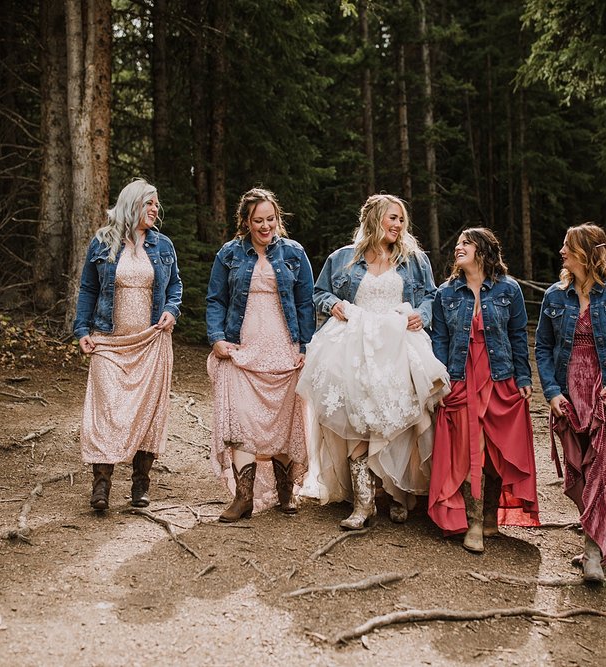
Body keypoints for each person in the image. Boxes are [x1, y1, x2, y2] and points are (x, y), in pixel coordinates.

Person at [298, 193, 449, 530]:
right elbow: (319, 292)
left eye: (401, 219)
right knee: (358, 419)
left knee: (400, 419)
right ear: (375, 218)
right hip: (355, 346)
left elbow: (430, 296)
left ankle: (398, 495)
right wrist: (332, 305)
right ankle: (363, 503)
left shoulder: (415, 260)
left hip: (399, 343)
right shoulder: (342, 259)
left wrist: (421, 315)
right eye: (392, 217)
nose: (398, 225)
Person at [535, 222, 606, 583]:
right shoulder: (555, 296)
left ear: (587, 252)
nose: (562, 252)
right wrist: (552, 392)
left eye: (568, 246)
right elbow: (543, 347)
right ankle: (598, 538)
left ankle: (594, 554)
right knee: (579, 475)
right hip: (572, 399)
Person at [206, 188, 315, 522]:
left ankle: (286, 493)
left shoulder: (295, 253)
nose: (266, 226)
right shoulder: (229, 254)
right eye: (258, 221)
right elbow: (216, 299)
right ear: (246, 222)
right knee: (240, 418)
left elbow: (305, 303)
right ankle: (244, 498)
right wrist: (217, 338)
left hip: (284, 348)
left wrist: (305, 347)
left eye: (271, 219)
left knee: (283, 420)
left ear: (277, 218)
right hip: (243, 348)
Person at [73, 178, 182, 511]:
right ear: (132, 204)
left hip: (151, 340)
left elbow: (175, 286)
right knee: (106, 411)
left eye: (156, 204)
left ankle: (140, 485)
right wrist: (82, 329)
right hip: (110, 340)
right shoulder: (102, 243)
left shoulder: (163, 246)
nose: (155, 209)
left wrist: (170, 310)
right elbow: (88, 289)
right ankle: (101, 485)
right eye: (149, 203)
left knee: (148, 413)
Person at [428, 228, 540, 553]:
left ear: (483, 250)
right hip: (461, 378)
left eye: (465, 243)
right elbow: (440, 341)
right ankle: (473, 523)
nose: (458, 248)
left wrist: (524, 378)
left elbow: (519, 335)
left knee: (496, 451)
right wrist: (441, 380)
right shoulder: (445, 293)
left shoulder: (509, 289)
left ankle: (491, 516)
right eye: (458, 243)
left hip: (500, 376)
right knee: (468, 449)